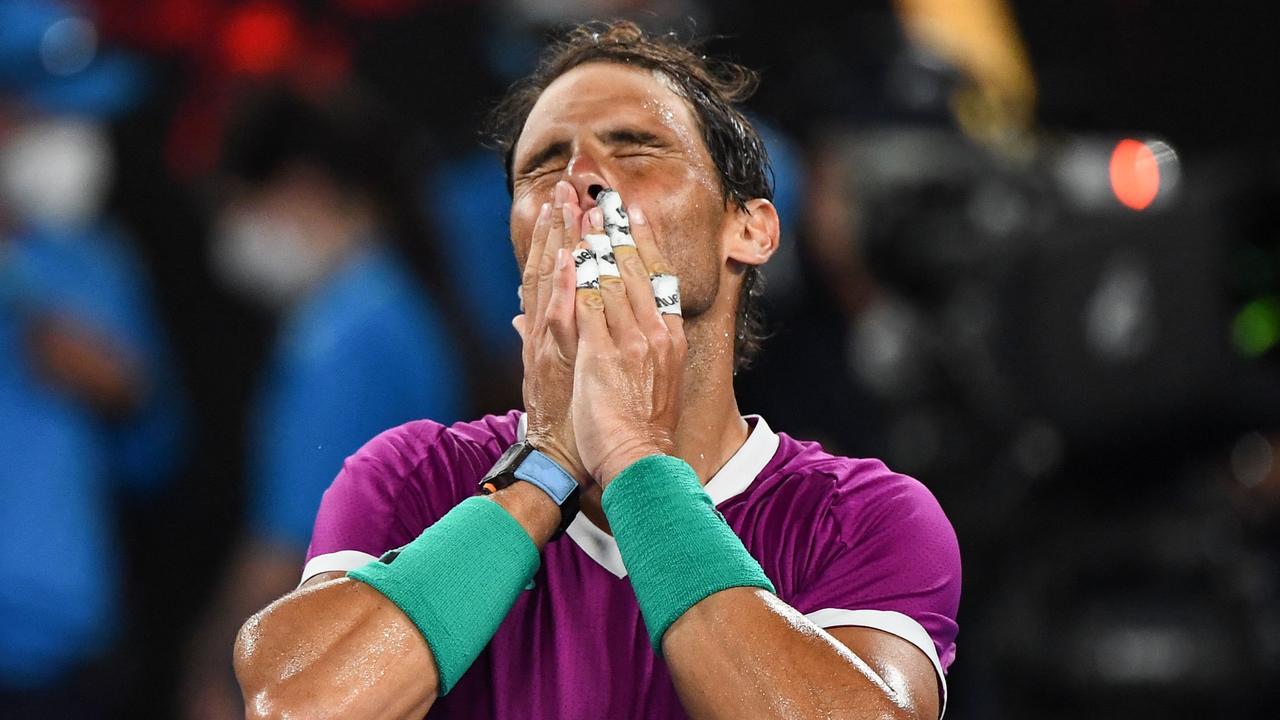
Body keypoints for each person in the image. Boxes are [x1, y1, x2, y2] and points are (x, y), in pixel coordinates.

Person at [233, 21, 960, 720]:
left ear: (750, 228)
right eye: (543, 165)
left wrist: (636, 460)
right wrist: (547, 462)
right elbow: (300, 706)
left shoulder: (862, 518)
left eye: (637, 150)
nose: (578, 181)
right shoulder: (411, 479)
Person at [180, 86, 466, 719]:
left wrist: (219, 679)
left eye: (238, 206)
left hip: (343, 661)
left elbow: (284, 548)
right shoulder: (391, 304)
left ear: (299, 187)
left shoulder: (344, 335)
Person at [0, 2, 185, 716]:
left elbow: (157, 459)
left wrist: (125, 397)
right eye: (42, 116)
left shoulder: (95, 262)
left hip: (68, 652)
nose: (72, 140)